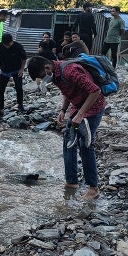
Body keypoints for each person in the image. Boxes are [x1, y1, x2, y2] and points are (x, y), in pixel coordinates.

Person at [27, 56, 105, 201]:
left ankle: (93, 188)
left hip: (93, 107)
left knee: (85, 145)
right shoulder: (55, 74)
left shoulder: (70, 71)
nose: (43, 80)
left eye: (42, 77)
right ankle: (71, 182)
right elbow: (67, 91)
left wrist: (81, 115)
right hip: (77, 106)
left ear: (47, 68)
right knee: (68, 141)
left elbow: (95, 91)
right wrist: (63, 110)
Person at [0, 33, 27, 117]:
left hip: (16, 70)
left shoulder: (18, 46)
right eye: (5, 45)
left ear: (12, 41)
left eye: (8, 45)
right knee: (0, 89)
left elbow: (24, 58)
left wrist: (22, 69)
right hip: (5, 70)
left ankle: (20, 106)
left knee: (19, 88)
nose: (7, 46)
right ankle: (0, 109)